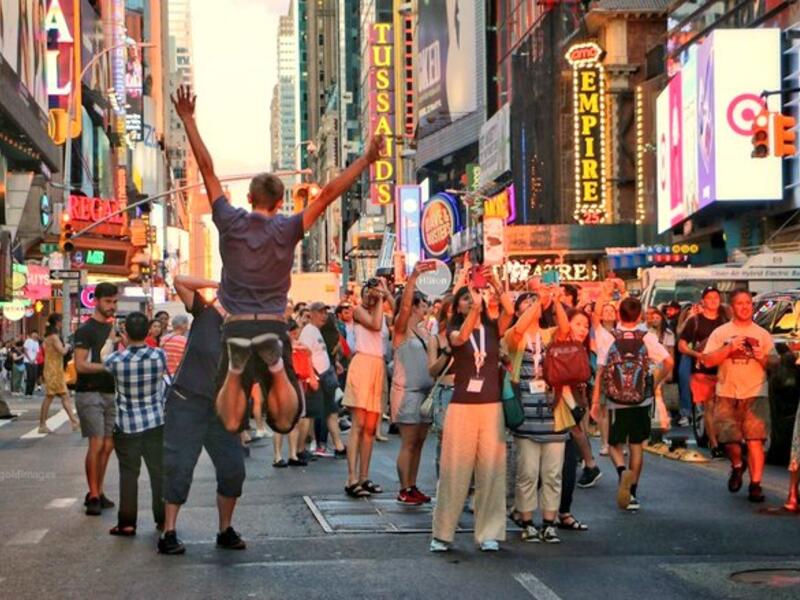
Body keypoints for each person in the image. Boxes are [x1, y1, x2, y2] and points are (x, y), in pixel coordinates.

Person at [171, 85, 382, 439]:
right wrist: (366, 161)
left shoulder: (229, 218)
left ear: (249, 197)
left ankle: (237, 370)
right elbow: (329, 193)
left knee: (228, 417)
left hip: (235, 324)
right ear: (281, 199)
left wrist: (188, 119)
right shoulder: (288, 226)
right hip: (271, 322)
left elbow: (206, 169)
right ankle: (277, 367)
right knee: (285, 419)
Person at [160, 276, 247, 555]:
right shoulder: (204, 312)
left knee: (234, 470)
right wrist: (218, 284)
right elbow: (180, 281)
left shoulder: (245, 330)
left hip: (223, 408)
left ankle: (225, 529)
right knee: (179, 467)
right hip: (187, 401)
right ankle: (168, 532)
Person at [431, 273, 514, 553]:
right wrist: (476, 309)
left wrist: (496, 284)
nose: (471, 299)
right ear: (458, 306)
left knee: (491, 470)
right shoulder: (453, 329)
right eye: (465, 297)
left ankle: (489, 532)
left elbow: (510, 311)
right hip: (462, 406)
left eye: (473, 296)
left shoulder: (492, 330)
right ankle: (442, 533)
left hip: (491, 406)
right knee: (455, 470)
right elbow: (461, 338)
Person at [592, 297, 673, 512]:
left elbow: (600, 371)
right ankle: (633, 494)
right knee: (637, 446)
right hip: (641, 399)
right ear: (639, 316)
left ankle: (621, 472)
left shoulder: (608, 337)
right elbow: (669, 362)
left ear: (619, 314)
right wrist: (654, 381)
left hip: (615, 401)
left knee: (613, 444)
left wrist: (595, 400)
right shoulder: (648, 337)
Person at [702, 289, 777, 503]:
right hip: (727, 392)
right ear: (732, 307)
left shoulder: (762, 334)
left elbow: (775, 364)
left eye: (748, 303)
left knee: (755, 440)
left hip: (755, 392)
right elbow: (707, 361)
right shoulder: (721, 332)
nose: (745, 307)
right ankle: (737, 464)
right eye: (740, 303)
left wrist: (762, 358)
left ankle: (756, 484)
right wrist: (728, 348)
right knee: (729, 440)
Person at [104, 311, 167, 537]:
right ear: (149, 331)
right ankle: (162, 519)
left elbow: (103, 358)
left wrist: (113, 341)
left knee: (129, 475)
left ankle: (127, 523)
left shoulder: (115, 361)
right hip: (155, 422)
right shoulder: (159, 356)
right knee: (158, 473)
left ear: (125, 332)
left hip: (127, 424)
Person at [343, 278, 393, 498]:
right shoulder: (357, 311)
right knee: (359, 423)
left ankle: (364, 476)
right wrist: (380, 298)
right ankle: (351, 477)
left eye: (374, 292)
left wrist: (386, 292)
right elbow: (372, 324)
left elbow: (399, 308)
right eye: (368, 292)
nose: (372, 296)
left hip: (378, 366)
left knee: (371, 426)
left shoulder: (382, 312)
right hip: (362, 363)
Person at [391, 262, 436, 505]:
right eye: (424, 304)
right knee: (408, 442)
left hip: (426, 394)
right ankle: (403, 487)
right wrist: (414, 277)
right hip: (407, 393)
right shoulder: (401, 330)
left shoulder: (424, 331)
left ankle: (413, 485)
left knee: (419, 442)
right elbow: (405, 304)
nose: (427, 308)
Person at [74, 282, 119, 516]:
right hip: (89, 391)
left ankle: (99, 491)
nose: (112, 306)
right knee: (97, 442)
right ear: (97, 301)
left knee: (109, 445)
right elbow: (80, 365)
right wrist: (107, 367)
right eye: (108, 301)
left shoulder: (114, 330)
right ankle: (92, 494)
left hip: (110, 392)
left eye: (114, 301)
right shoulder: (85, 330)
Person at [678, 287, 728, 456]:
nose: (713, 300)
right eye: (709, 297)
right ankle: (714, 444)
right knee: (709, 406)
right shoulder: (695, 321)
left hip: (724, 370)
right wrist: (697, 354)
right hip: (702, 371)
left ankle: (724, 439)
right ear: (703, 301)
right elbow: (682, 345)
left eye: (716, 297)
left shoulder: (725, 321)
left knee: (723, 408)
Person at [299, 302, 346, 458]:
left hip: (325, 377)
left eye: (325, 312)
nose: (323, 315)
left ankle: (339, 446)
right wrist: (311, 376)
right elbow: (305, 355)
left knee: (331, 412)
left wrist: (335, 364)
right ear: (311, 313)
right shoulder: (308, 331)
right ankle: (301, 450)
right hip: (316, 379)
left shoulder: (317, 331)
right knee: (310, 415)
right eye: (320, 312)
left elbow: (319, 353)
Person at [427, 295, 455, 478]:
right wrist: (446, 352)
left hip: (466, 391)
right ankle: (442, 485)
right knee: (445, 441)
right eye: (451, 311)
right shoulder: (436, 340)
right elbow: (432, 370)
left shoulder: (470, 336)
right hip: (445, 391)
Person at [38, 314, 79, 433]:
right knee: (52, 396)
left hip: (53, 369)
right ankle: (43, 425)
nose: (62, 323)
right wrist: (66, 346)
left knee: (59, 396)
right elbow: (61, 351)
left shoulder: (48, 337)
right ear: (57, 322)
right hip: (54, 370)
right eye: (61, 321)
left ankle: (74, 422)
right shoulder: (54, 337)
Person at [161, 314, 189, 381]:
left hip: (164, 376)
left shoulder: (164, 339)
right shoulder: (185, 341)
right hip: (177, 376)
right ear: (183, 325)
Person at [23, 331, 40, 397]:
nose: (35, 335)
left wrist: (34, 359)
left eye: (36, 334)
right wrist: (30, 359)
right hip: (27, 361)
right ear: (31, 334)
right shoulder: (28, 341)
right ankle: (27, 392)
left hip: (34, 362)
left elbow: (37, 353)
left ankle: (31, 393)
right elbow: (25, 350)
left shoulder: (37, 342)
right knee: (29, 376)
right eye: (34, 333)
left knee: (34, 377)